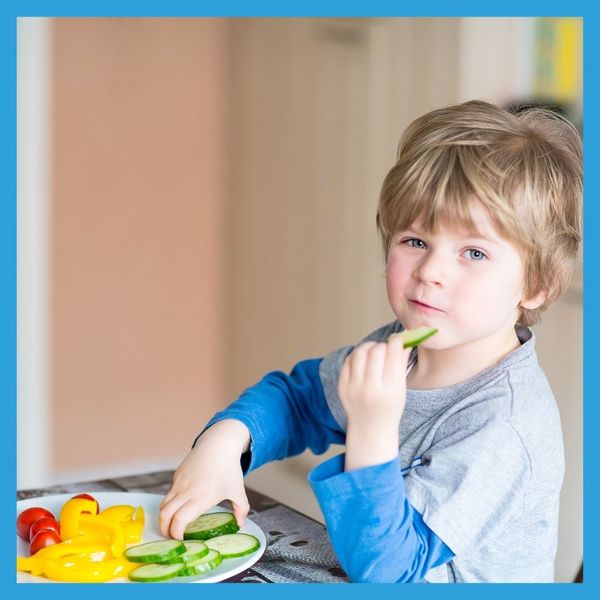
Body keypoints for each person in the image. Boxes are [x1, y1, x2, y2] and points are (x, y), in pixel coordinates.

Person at [159, 100, 582, 583]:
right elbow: (299, 400)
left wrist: (373, 429)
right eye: (416, 241)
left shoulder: (504, 427)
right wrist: (224, 441)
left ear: (536, 285)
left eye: (474, 252)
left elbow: (388, 573)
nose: (431, 271)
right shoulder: (401, 347)